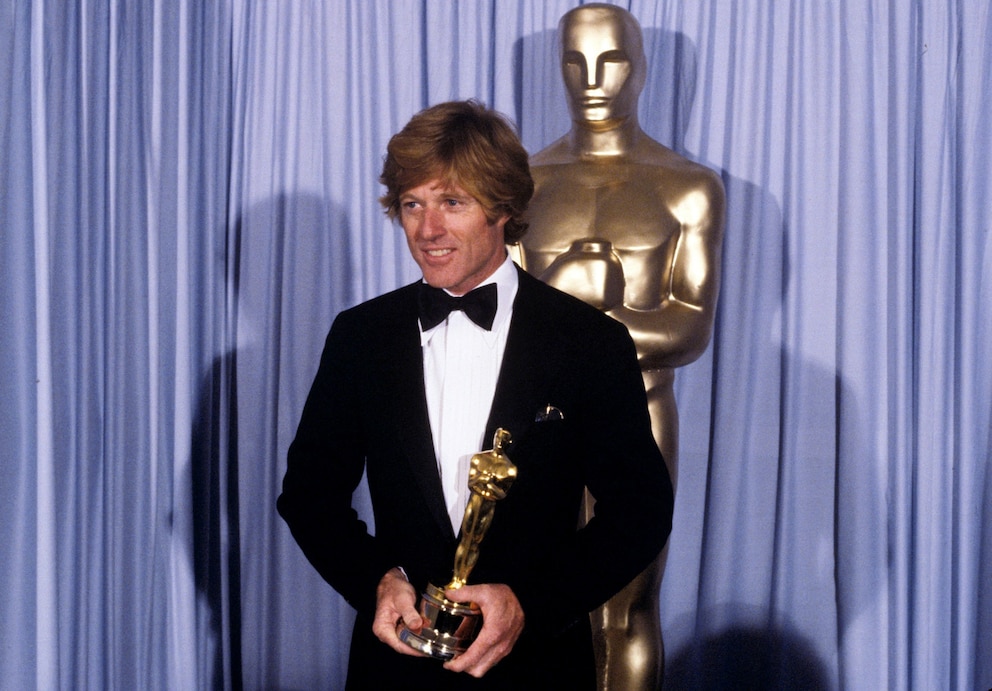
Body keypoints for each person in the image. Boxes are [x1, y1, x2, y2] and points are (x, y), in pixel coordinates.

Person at [278, 99, 673, 690]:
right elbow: (309, 496)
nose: (427, 229)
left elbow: (640, 512)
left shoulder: (589, 342)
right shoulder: (361, 336)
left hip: (536, 670)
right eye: (413, 204)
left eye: (452, 203)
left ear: (503, 208)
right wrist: (377, 581)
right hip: (396, 672)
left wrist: (531, 605)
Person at [514, 5, 725, 690]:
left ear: (642, 67)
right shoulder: (525, 183)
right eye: (576, 61)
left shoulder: (689, 188)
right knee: (530, 600)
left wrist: (575, 312)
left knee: (625, 609)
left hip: (639, 417)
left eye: (612, 60)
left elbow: (690, 327)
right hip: (536, 424)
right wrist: (597, 307)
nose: (593, 79)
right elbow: (506, 321)